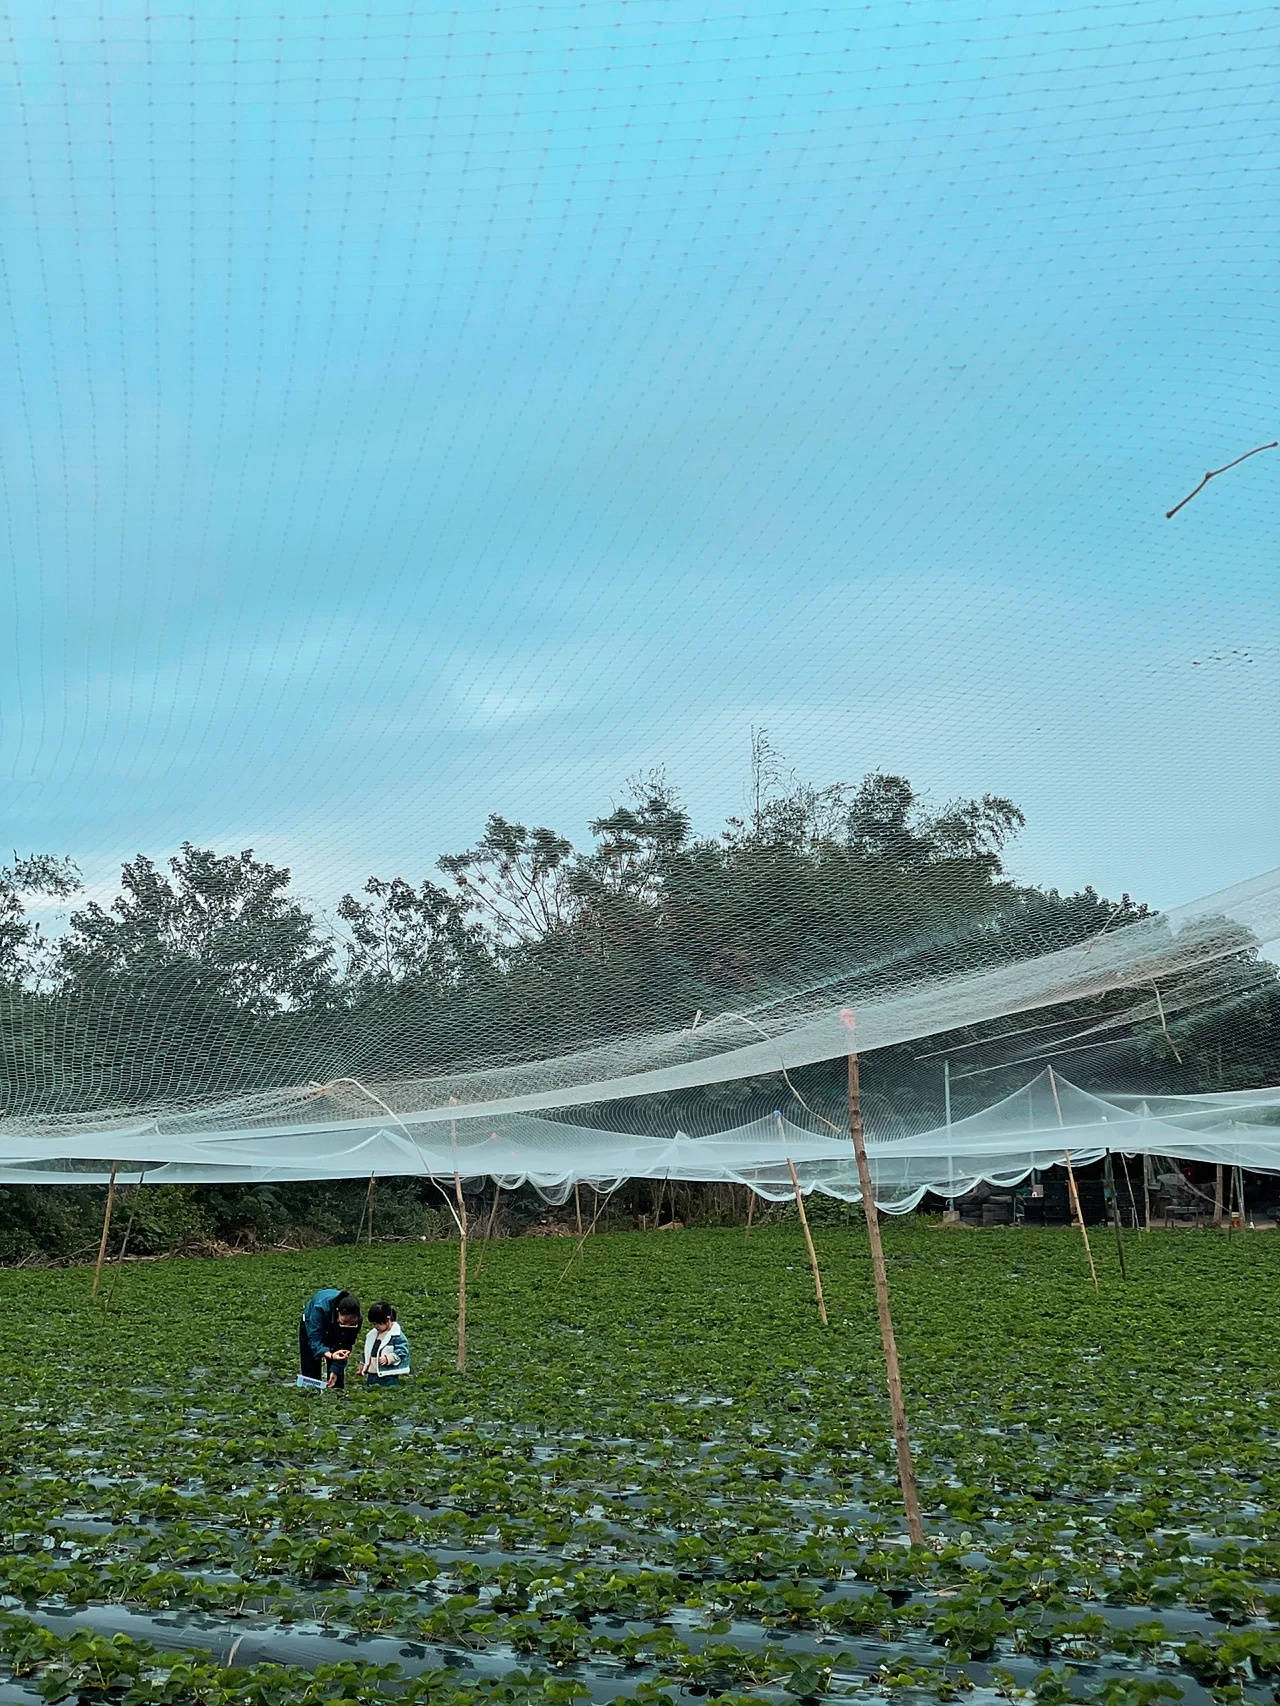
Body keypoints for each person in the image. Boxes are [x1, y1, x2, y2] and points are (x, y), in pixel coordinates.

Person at [300, 1288, 362, 1389]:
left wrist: (335, 1370)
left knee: (338, 1368)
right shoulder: (319, 1308)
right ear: (338, 1313)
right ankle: (311, 1393)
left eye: (352, 1323)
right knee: (310, 1366)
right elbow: (314, 1339)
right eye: (344, 1322)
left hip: (334, 1325)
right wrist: (330, 1355)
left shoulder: (357, 1320)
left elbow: (346, 1346)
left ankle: (337, 1392)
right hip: (312, 1323)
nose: (347, 1325)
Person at [358, 1301, 411, 1386]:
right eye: (374, 1324)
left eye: (378, 1323)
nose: (376, 1326)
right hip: (372, 1374)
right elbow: (367, 1351)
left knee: (388, 1392)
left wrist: (389, 1358)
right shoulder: (373, 1334)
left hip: (388, 1375)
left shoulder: (396, 1335)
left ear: (388, 1319)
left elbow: (403, 1350)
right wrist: (363, 1365)